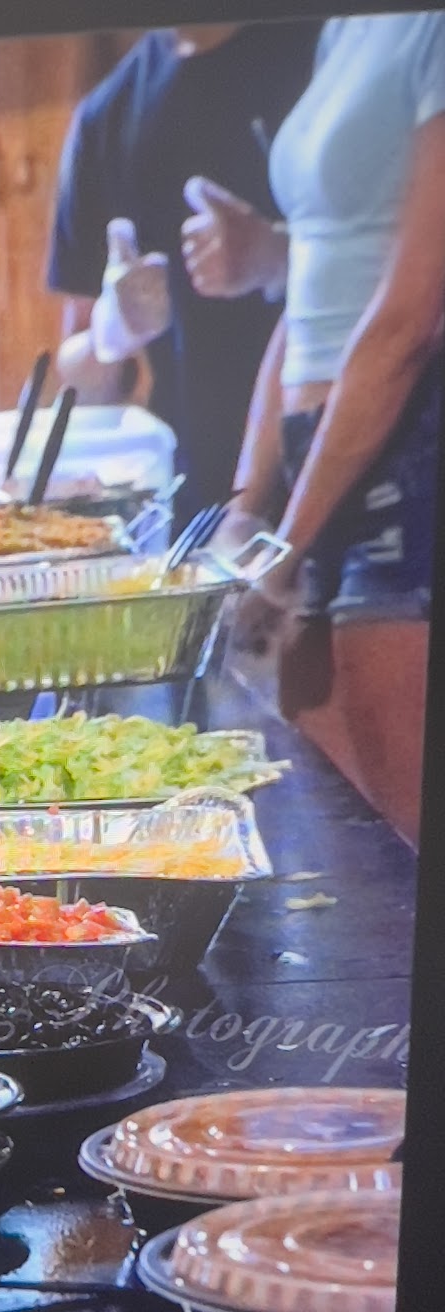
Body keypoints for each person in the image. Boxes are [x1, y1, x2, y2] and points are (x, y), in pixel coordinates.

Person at [218, 12, 445, 845]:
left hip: (404, 445)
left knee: (401, 845)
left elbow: (411, 318)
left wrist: (287, 545)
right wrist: (248, 505)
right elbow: (309, 292)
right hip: (319, 457)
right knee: (334, 831)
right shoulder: (346, 26)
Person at [47, 21, 318, 519]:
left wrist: (277, 256)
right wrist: (113, 332)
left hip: (329, 477)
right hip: (195, 501)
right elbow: (78, 377)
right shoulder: (106, 113)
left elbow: (396, 262)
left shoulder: (319, 54)